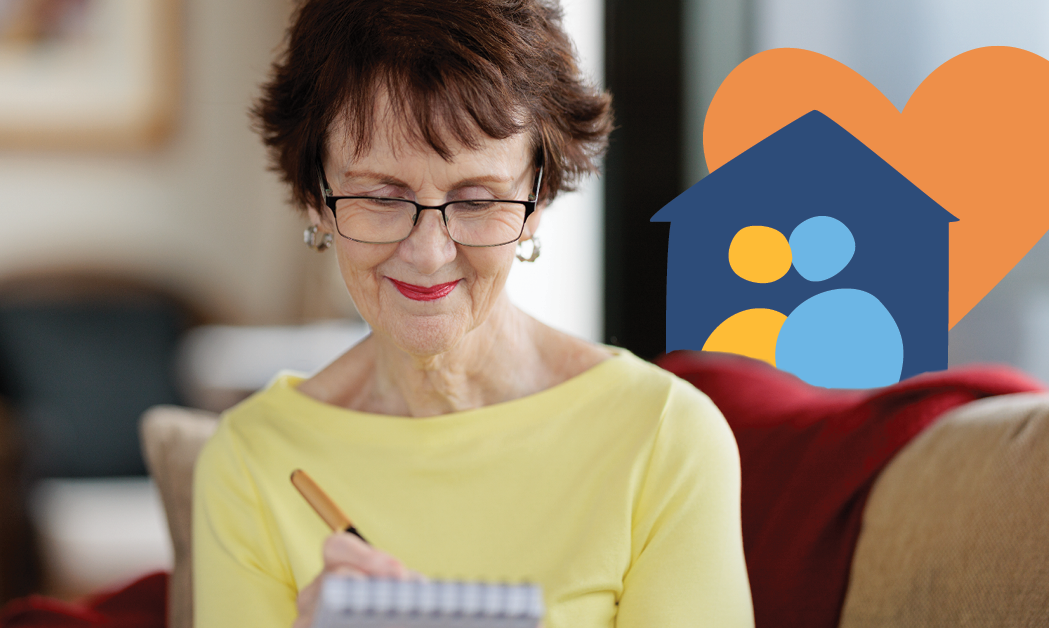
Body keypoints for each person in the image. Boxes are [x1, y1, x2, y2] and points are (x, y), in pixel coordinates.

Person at [192, 0, 754, 626]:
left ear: (535, 199)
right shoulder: (252, 460)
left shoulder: (663, 438)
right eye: (381, 196)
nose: (429, 254)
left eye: (477, 199)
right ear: (317, 199)